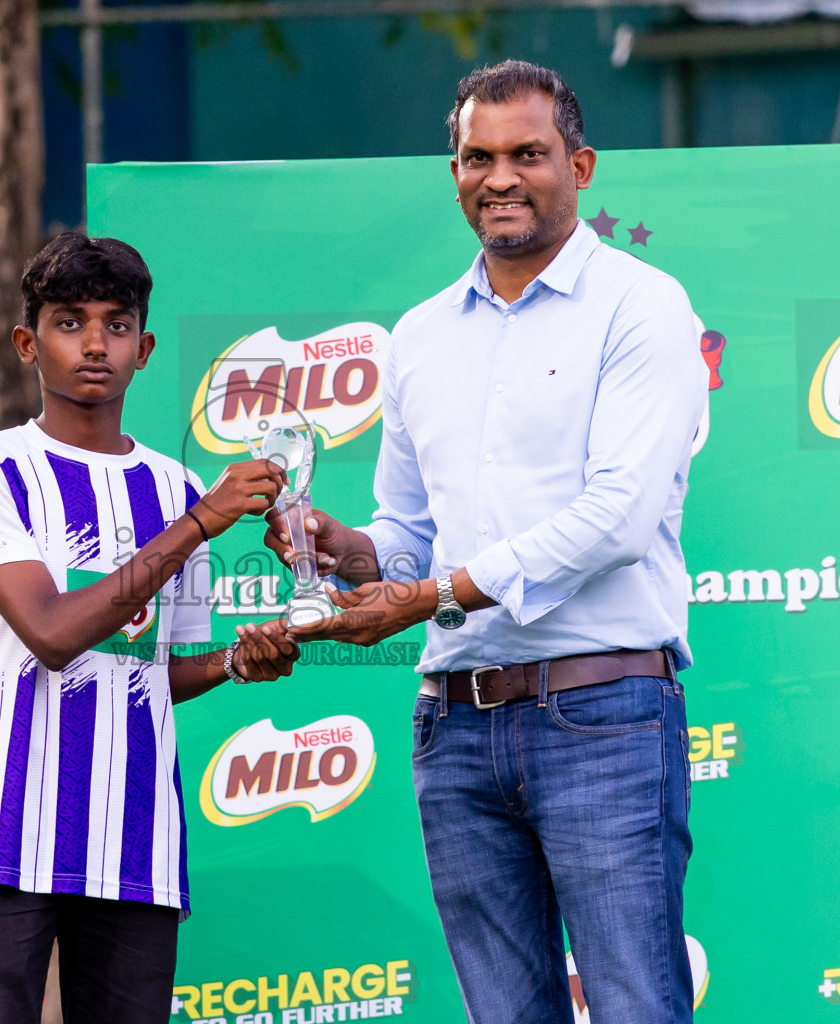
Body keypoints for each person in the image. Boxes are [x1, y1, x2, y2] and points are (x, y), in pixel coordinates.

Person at [271, 61, 707, 1024]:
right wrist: (333, 545)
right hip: (455, 727)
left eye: (528, 155)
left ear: (581, 167)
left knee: (635, 1006)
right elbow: (406, 539)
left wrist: (431, 596)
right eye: (478, 156)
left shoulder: (643, 307)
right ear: (454, 171)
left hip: (602, 714)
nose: (500, 177)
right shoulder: (420, 335)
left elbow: (621, 515)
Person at [0, 231, 299, 1024]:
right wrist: (197, 524)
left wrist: (235, 664)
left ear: (146, 347)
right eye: (70, 322)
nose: (95, 344)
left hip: (136, 845)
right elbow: (53, 634)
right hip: (8, 839)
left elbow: (144, 671)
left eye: (117, 323)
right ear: (28, 343)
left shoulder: (177, 484)